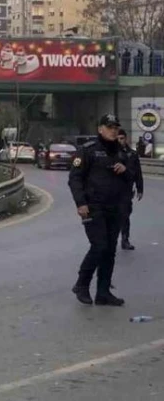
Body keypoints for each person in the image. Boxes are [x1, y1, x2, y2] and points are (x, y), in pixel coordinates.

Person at [69, 115, 132, 306]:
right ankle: (82, 284)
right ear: (100, 129)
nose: (113, 130)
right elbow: (75, 178)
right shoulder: (88, 150)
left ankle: (103, 292)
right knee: (99, 246)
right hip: (93, 207)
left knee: (110, 251)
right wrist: (81, 203)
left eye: (116, 127)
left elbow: (132, 177)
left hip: (115, 208)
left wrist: (126, 170)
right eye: (109, 127)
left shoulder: (122, 152)